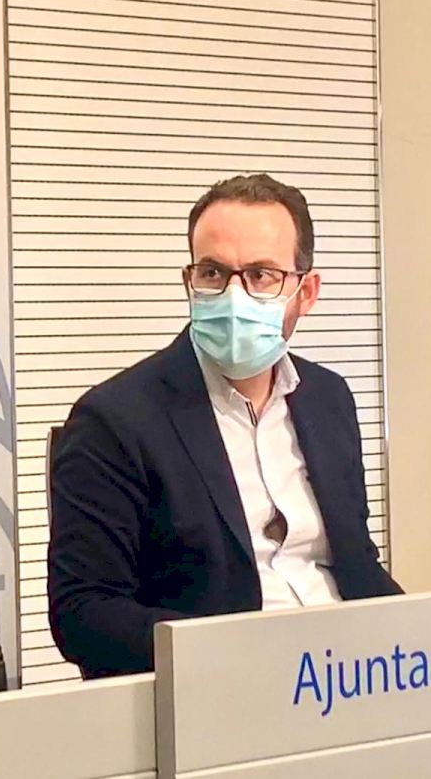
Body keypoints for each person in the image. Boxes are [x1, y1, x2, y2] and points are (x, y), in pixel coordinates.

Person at [48, 173, 401, 679]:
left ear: (306, 292)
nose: (234, 295)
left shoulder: (328, 399)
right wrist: (238, 657)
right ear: (188, 282)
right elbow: (85, 614)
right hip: (217, 689)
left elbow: (357, 563)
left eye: (261, 275)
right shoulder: (115, 420)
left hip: (347, 676)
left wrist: (428, 641)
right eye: (213, 273)